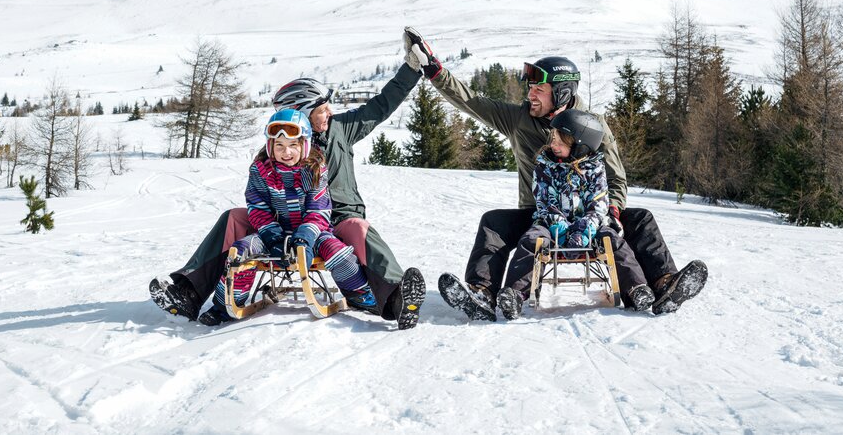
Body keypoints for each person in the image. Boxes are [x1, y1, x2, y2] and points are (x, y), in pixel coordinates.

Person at [403, 27, 707, 318]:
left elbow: (615, 178)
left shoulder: (593, 126)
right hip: (541, 215)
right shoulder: (519, 119)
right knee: (493, 223)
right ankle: (482, 292)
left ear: (561, 92)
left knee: (641, 219)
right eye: (531, 88)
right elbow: (472, 102)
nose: (531, 95)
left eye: (539, 89)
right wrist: (434, 70)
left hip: (593, 213)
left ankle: (663, 284)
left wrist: (611, 211)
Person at [150, 61, 427, 329]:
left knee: (359, 228)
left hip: (336, 217)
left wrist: (412, 70)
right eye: (321, 109)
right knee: (233, 218)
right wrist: (269, 228)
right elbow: (259, 195)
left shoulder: (339, 128)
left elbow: (381, 106)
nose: (329, 112)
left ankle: (395, 299)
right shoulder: (279, 145)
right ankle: (188, 293)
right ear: (302, 113)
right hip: (281, 219)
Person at [201, 109, 376, 325]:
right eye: (280, 146)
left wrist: (304, 239)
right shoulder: (260, 172)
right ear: (270, 147)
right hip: (275, 232)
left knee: (336, 250)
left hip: (314, 233)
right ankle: (225, 304)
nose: (287, 152)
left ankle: (360, 294)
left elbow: (318, 210)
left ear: (304, 145)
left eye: (293, 145)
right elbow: (258, 208)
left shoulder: (315, 170)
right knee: (241, 251)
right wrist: (273, 238)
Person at [494, 109, 655, 319]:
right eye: (552, 139)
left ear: (580, 146)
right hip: (550, 223)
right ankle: (514, 293)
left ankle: (636, 289)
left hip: (591, 225)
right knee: (531, 240)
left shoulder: (596, 170)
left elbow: (599, 203)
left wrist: (585, 227)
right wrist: (557, 223)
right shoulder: (545, 166)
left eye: (560, 142)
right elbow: (544, 200)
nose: (553, 145)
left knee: (614, 241)